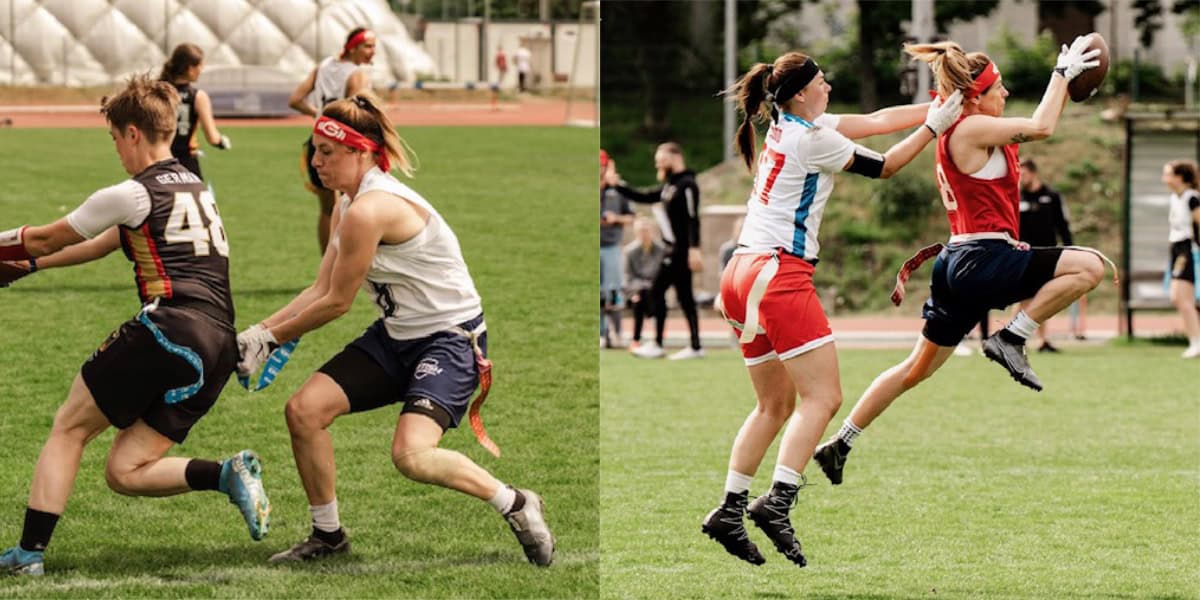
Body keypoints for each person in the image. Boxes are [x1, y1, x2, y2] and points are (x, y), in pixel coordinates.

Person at [235, 93, 555, 566]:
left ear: (360, 151)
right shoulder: (349, 204)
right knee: (304, 411)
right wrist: (259, 331)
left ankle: (515, 502)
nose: (315, 162)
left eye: (326, 152)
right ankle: (328, 537)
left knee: (411, 456)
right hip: (397, 336)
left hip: (450, 341)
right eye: (314, 150)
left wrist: (272, 339)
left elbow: (338, 303)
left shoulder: (371, 209)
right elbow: (320, 287)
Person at [700, 51, 964, 567]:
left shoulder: (792, 121)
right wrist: (934, 128)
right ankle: (778, 502)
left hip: (741, 271)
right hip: (778, 271)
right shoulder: (810, 137)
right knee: (823, 398)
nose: (829, 84)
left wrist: (937, 104)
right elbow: (884, 165)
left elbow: (877, 121)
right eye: (822, 80)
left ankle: (729, 509)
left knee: (772, 407)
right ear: (801, 92)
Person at [0, 75, 269, 576]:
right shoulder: (196, 186)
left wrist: (16, 251)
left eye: (114, 139)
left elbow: (45, 237)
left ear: (132, 133)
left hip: (169, 328)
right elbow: (106, 242)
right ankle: (226, 475)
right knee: (125, 471)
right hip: (218, 347)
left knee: (69, 428)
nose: (116, 151)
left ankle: (28, 555)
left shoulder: (132, 191)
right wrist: (33, 269)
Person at [812, 38, 1106, 487]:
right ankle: (1012, 337)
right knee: (1090, 267)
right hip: (982, 256)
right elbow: (1043, 126)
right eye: (999, 88)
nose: (1005, 95)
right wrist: (1061, 75)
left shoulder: (967, 126)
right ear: (975, 97)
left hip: (957, 261)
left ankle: (841, 442)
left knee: (915, 368)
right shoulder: (969, 128)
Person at [289, 27, 375, 254]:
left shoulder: (322, 67)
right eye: (368, 46)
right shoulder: (357, 75)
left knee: (328, 209)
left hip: (317, 143)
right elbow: (358, 115)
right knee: (356, 204)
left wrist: (318, 115)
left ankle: (327, 266)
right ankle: (346, 263)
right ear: (353, 47)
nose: (372, 52)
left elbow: (295, 99)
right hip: (344, 146)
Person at [616, 143, 705, 360]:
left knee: (664, 292)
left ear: (674, 156)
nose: (657, 162)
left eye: (661, 158)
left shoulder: (687, 185)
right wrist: (618, 185)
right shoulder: (669, 186)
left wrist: (694, 249)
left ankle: (665, 344)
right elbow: (645, 196)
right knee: (680, 296)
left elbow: (693, 219)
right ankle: (690, 345)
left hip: (681, 250)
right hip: (671, 249)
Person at [1017, 158, 1075, 352]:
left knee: (1042, 298)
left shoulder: (1052, 196)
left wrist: (1070, 249)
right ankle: (1010, 337)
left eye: (1023, 173)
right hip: (1023, 256)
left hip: (1049, 255)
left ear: (1033, 173)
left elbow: (1063, 225)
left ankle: (1042, 340)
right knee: (1024, 298)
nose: (1020, 178)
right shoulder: (1016, 197)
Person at [160, 43, 231, 180]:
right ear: (190, 68)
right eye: (200, 66)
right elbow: (213, 138)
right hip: (186, 162)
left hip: (159, 160)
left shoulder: (158, 90)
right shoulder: (197, 96)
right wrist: (222, 142)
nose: (201, 70)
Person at [1162, 159, 1200, 358]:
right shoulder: (1174, 198)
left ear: (1179, 177)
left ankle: (1196, 342)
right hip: (1176, 248)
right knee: (1178, 298)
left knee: (1182, 298)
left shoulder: (1192, 198)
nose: (1164, 179)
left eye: (1168, 174)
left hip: (1188, 249)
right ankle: (1194, 341)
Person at [601, 150, 635, 348]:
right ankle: (601, 334)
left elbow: (631, 216)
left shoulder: (617, 190)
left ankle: (618, 333)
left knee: (613, 293)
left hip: (612, 246)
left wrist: (616, 219)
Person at [623, 217, 666, 353]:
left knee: (660, 303)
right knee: (638, 300)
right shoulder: (630, 251)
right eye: (641, 231)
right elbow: (628, 276)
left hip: (656, 289)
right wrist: (635, 291)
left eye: (646, 230)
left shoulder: (661, 249)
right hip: (638, 290)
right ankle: (636, 339)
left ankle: (658, 341)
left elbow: (663, 273)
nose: (644, 233)